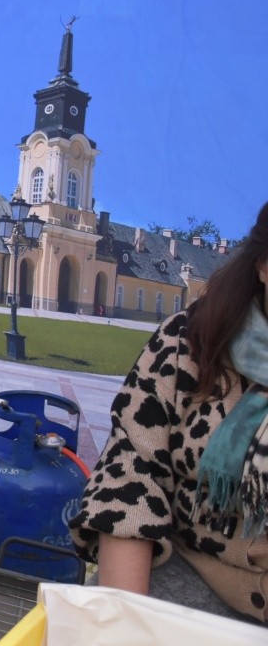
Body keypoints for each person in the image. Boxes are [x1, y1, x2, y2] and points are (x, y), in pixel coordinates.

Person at [71, 201, 268, 625]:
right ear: (263, 267)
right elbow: (130, 477)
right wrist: (126, 624)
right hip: (190, 577)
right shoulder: (189, 343)